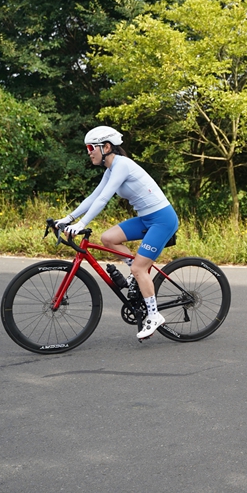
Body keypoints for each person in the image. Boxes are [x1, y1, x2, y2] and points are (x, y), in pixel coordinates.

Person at [55, 126, 179, 339]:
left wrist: (82, 223)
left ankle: (154, 314)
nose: (88, 152)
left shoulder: (122, 165)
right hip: (146, 218)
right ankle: (136, 275)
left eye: (91, 147)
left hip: (162, 219)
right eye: (87, 147)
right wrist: (68, 219)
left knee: (140, 268)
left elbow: (104, 199)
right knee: (108, 238)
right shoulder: (110, 169)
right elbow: (94, 197)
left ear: (107, 147)